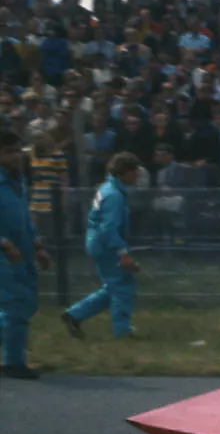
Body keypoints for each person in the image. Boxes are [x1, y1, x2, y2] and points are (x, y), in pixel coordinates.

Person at [62, 152, 141, 340]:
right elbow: (109, 228)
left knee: (113, 286)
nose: (138, 175)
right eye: (135, 171)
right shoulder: (114, 195)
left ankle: (74, 315)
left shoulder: (108, 188)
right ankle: (122, 330)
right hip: (107, 245)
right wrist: (122, 253)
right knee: (122, 285)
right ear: (124, 172)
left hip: (98, 242)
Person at [0, 130, 51, 378]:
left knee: (27, 304)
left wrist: (38, 245)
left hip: (23, 252)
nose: (16, 155)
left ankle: (13, 357)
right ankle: (13, 363)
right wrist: (4, 243)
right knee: (14, 306)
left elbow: (24, 217)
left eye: (18, 150)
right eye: (9, 151)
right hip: (4, 254)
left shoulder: (18, 180)